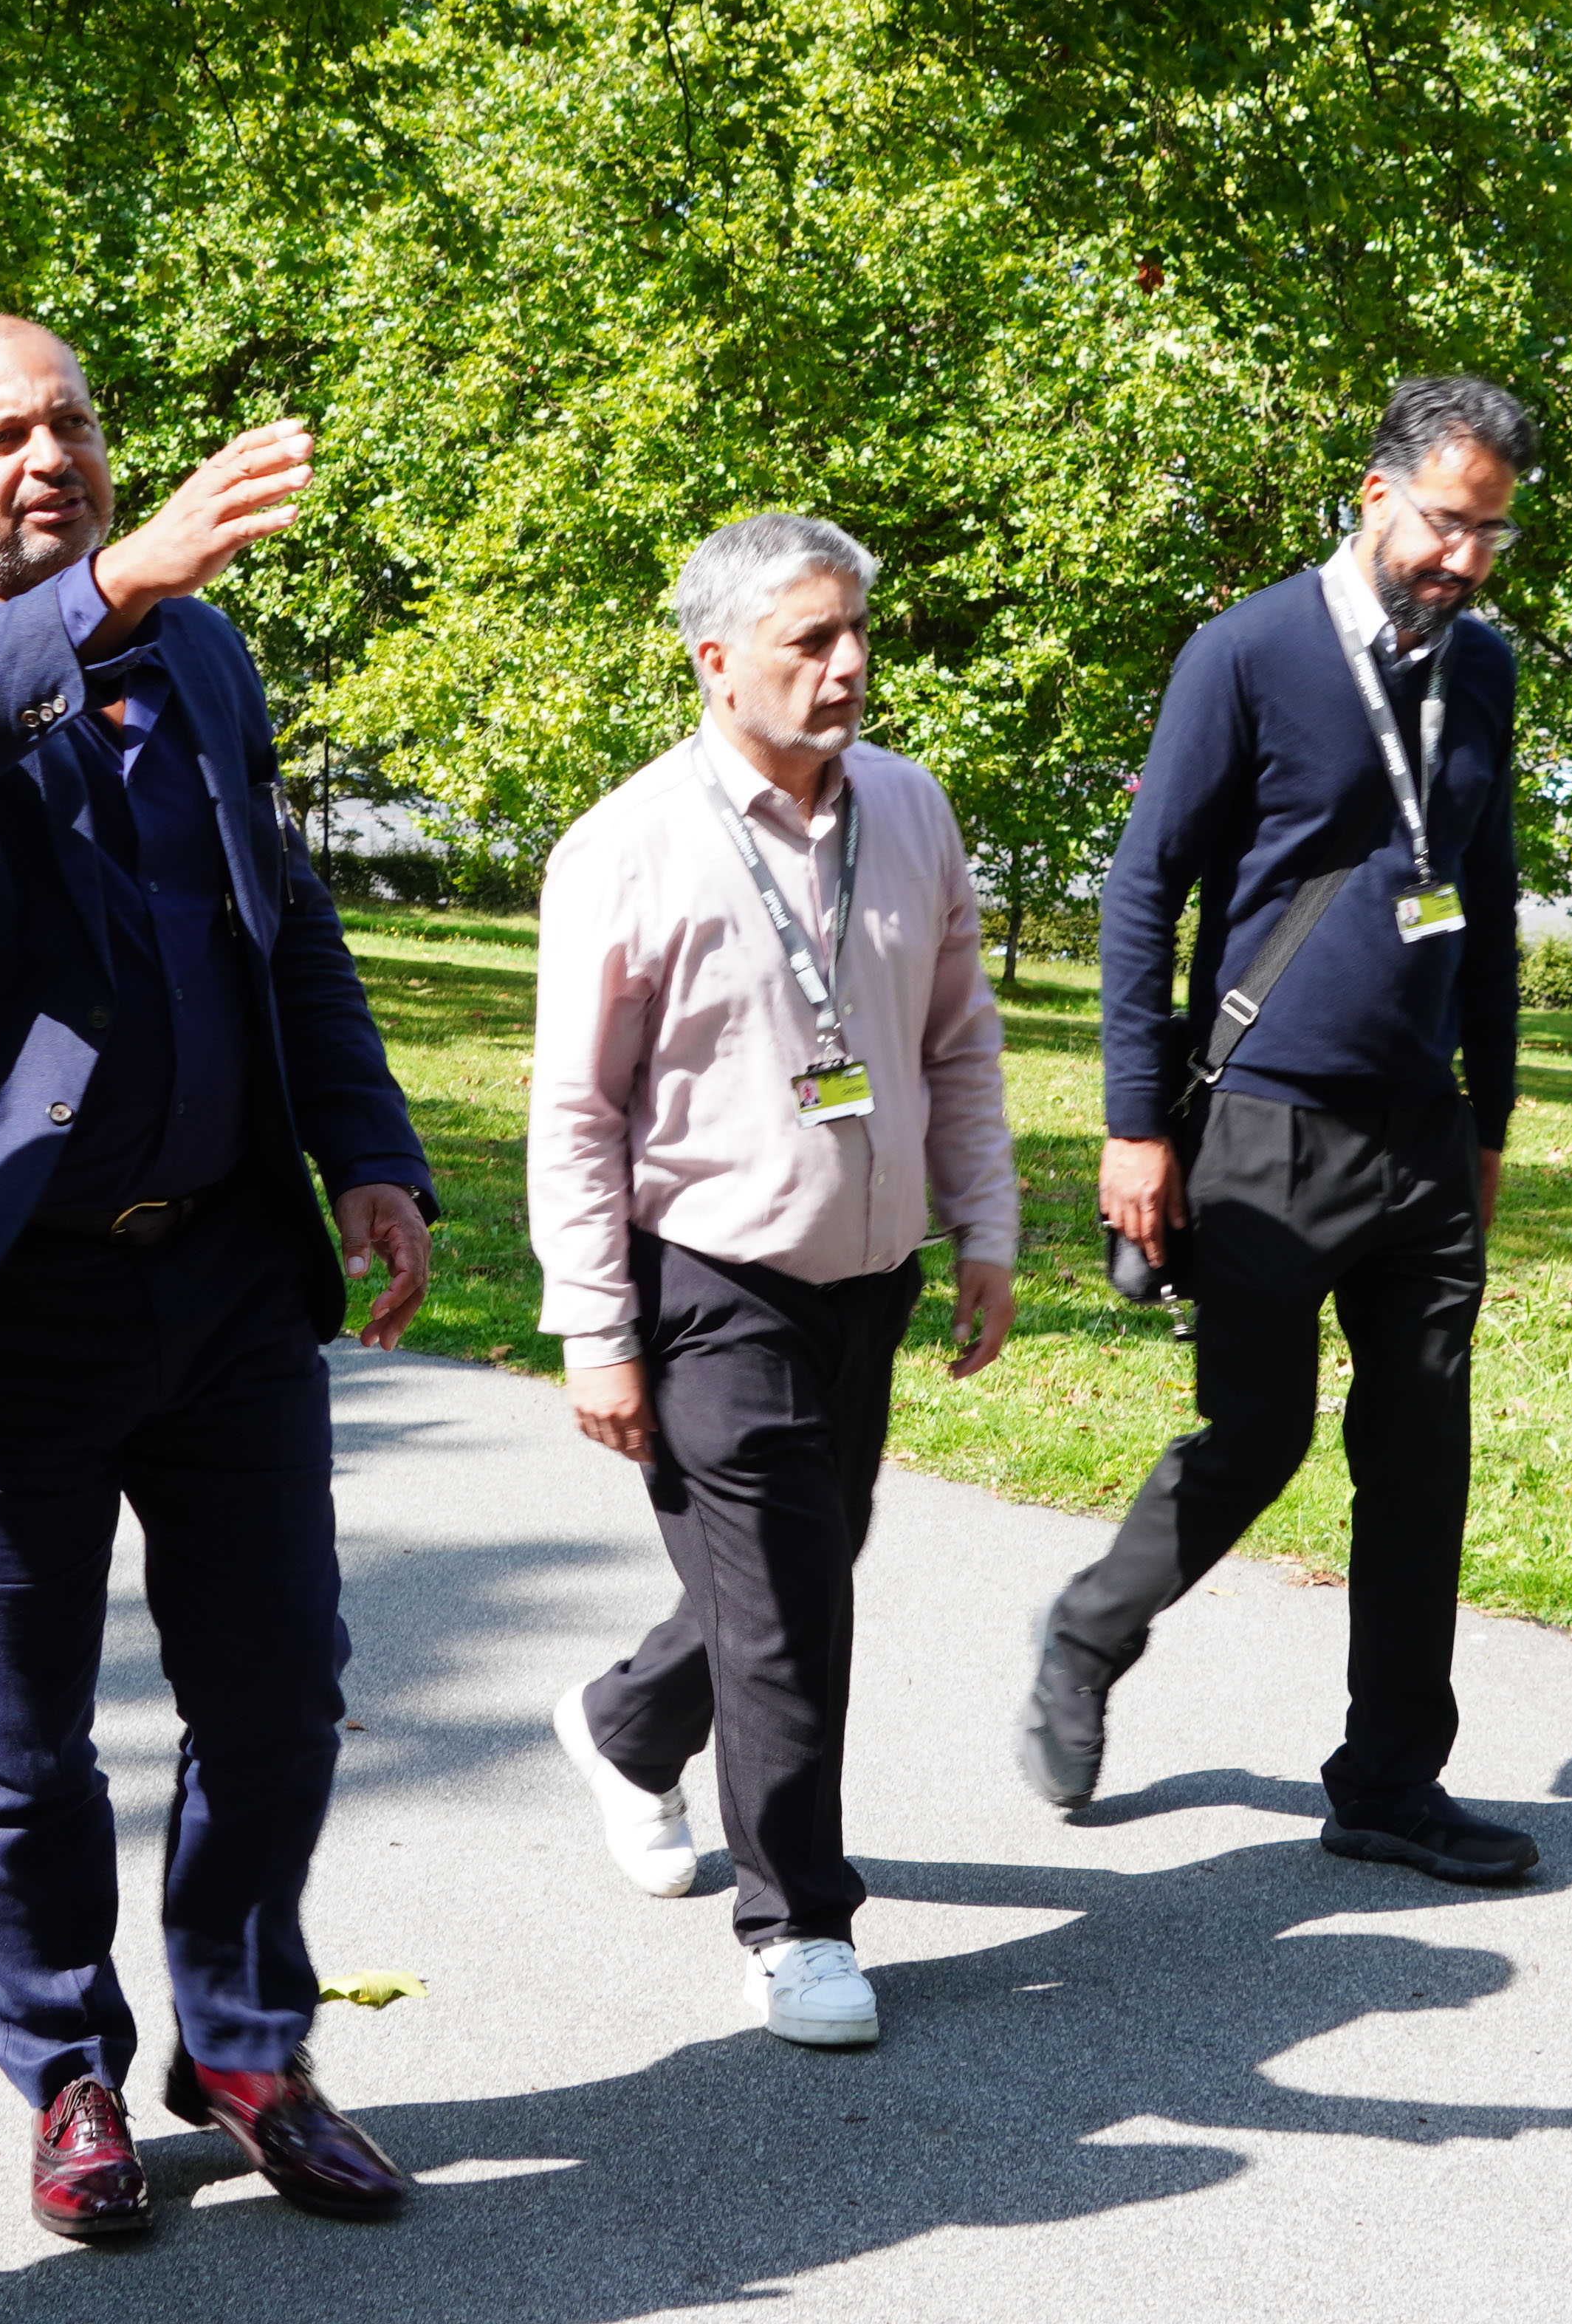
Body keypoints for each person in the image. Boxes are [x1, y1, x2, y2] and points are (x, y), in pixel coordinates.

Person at [0, 315, 439, 2243]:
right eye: (0, 435)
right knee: (22, 1735)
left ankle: (247, 2051)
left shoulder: (200, 653)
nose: (48, 454)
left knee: (281, 1693)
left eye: (70, 420)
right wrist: (112, 593)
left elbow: (280, 919)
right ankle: (67, 2069)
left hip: (225, 1275)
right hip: (0, 1301)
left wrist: (369, 1150)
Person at [1015, 374, 1537, 1886]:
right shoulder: (1246, 652)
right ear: (1376, 492)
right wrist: (1135, 1124)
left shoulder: (1483, 669)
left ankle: (1389, 1782)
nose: (1464, 558)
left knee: (1421, 1459)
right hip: (1265, 1120)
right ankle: (1089, 1632)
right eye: (1447, 523)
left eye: (1492, 534)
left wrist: (1491, 1117)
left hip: (1421, 1135)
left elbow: (1488, 901)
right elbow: (1143, 890)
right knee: (1258, 1435)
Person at [528, 514, 1021, 2052]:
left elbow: (958, 1041)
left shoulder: (910, 808)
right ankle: (798, 1920)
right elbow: (576, 1108)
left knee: (800, 1570)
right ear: (717, 660)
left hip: (867, 1274)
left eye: (859, 632)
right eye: (812, 638)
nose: (850, 664)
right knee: (791, 1615)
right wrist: (596, 1326)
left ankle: (626, 1724)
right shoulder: (629, 845)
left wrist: (986, 1226)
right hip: (709, 1280)